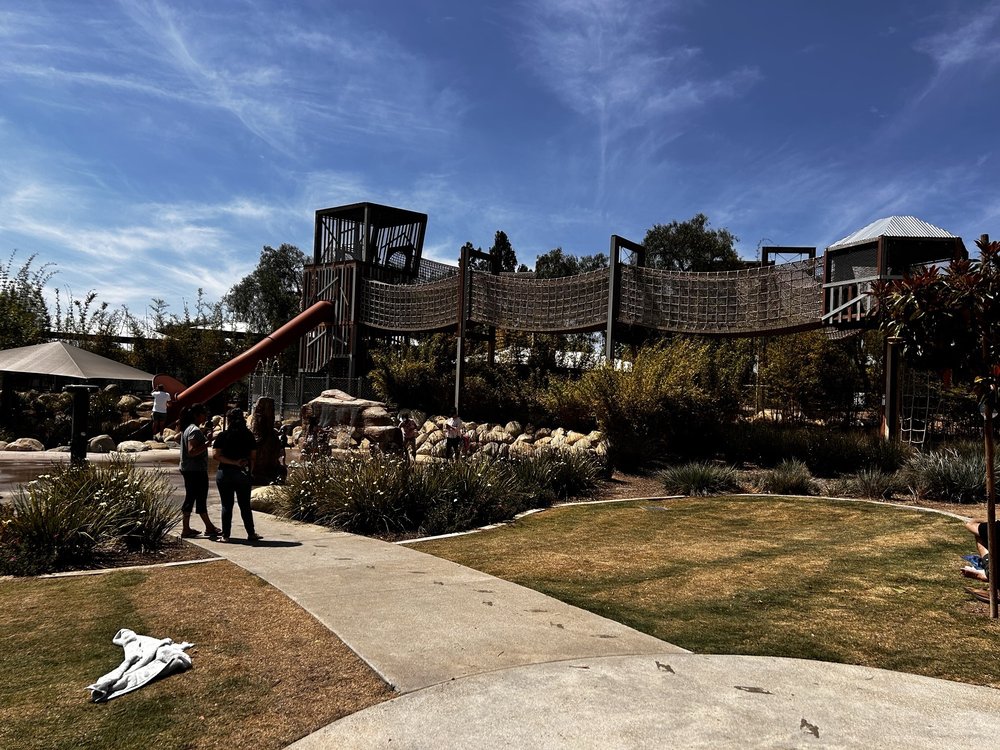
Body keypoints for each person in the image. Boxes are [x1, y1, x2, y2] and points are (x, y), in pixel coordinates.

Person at [212, 408, 262, 543]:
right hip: (243, 473)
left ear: (228, 420)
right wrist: (249, 471)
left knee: (226, 505)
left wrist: (233, 462)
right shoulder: (248, 436)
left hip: (225, 472)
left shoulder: (223, 436)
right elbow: (253, 457)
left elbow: (216, 455)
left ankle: (226, 535)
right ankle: (251, 533)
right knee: (245, 505)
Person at [178, 403, 221, 539]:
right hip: (195, 470)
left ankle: (194, 527)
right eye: (203, 414)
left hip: (188, 469)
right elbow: (192, 451)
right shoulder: (194, 431)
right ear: (197, 415)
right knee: (198, 497)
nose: (205, 417)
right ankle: (206, 527)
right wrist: (208, 443)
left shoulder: (188, 429)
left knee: (192, 497)